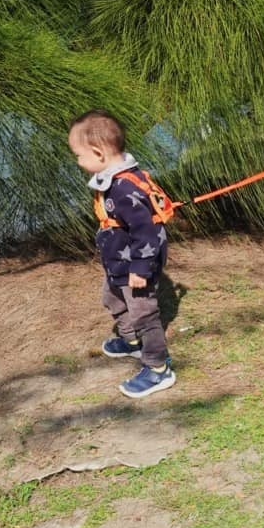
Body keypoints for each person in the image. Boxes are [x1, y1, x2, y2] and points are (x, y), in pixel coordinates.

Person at [67, 110, 176, 398]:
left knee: (144, 314)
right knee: (112, 298)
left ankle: (158, 368)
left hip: (135, 266)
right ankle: (131, 341)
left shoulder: (124, 189)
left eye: (79, 155)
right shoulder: (112, 180)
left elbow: (147, 231)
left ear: (98, 153)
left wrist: (140, 268)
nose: (78, 162)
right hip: (118, 262)